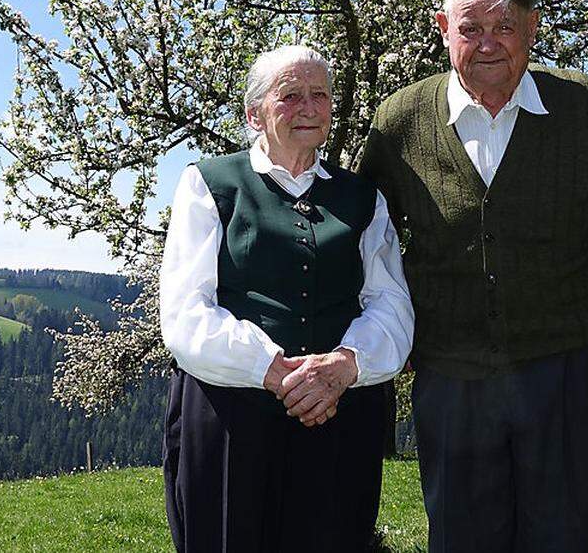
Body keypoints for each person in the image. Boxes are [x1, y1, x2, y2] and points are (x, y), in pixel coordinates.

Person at [359, 0, 588, 552]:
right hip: (451, 379)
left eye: (503, 27)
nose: (487, 44)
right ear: (443, 28)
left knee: (562, 537)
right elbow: (365, 243)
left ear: (532, 28)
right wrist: (380, 339)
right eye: (469, 29)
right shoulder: (400, 121)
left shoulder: (582, 107)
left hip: (563, 371)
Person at [159, 45, 414, 553]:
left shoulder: (363, 198)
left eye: (319, 95)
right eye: (290, 95)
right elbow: (186, 311)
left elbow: (392, 305)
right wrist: (273, 370)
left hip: (336, 412)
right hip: (230, 414)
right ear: (255, 113)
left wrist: (340, 368)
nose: (309, 108)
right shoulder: (210, 184)